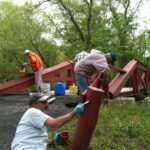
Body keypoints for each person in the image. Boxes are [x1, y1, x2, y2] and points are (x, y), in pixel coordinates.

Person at [11, 93, 85, 150]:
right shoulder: (32, 111)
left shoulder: (35, 117)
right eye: (43, 102)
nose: (47, 104)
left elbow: (35, 137)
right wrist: (75, 112)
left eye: (47, 102)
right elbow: (56, 123)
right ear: (35, 105)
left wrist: (52, 140)